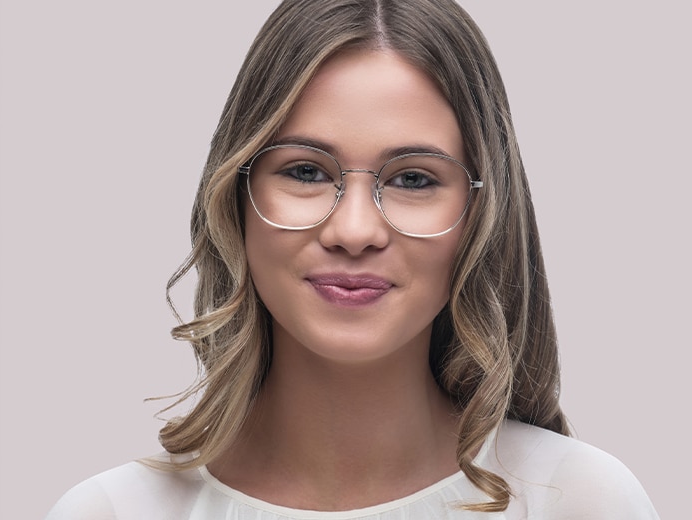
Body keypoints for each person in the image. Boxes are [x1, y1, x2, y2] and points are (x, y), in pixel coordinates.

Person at [47, 0, 659, 518]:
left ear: (482, 213)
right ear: (236, 193)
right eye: (306, 171)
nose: (355, 230)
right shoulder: (112, 511)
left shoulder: (579, 501)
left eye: (415, 179)